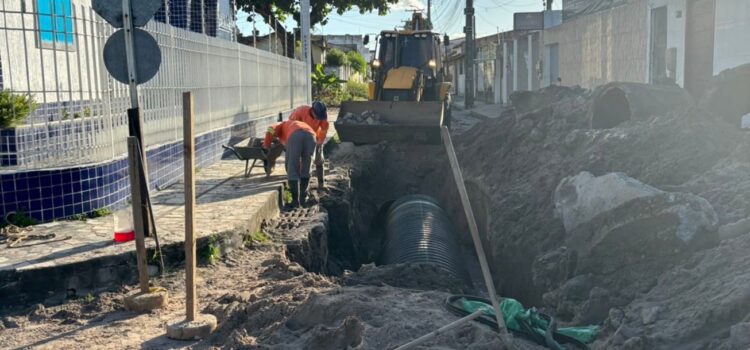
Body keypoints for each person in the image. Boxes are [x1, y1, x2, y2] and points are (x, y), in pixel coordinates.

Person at [263, 120, 316, 208]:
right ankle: (303, 198)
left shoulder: (280, 125)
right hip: (312, 136)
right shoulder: (293, 124)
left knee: (291, 167)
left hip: (295, 136)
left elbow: (270, 129)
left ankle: (295, 201)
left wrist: (266, 145)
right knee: (306, 168)